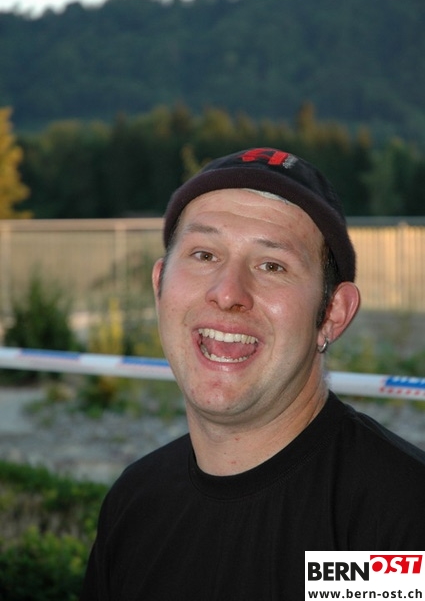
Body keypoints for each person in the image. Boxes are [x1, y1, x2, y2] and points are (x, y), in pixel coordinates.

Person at [80, 147, 425, 600]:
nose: (228, 294)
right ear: (159, 284)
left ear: (333, 314)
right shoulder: (135, 504)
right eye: (204, 255)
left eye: (271, 265)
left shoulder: (396, 521)